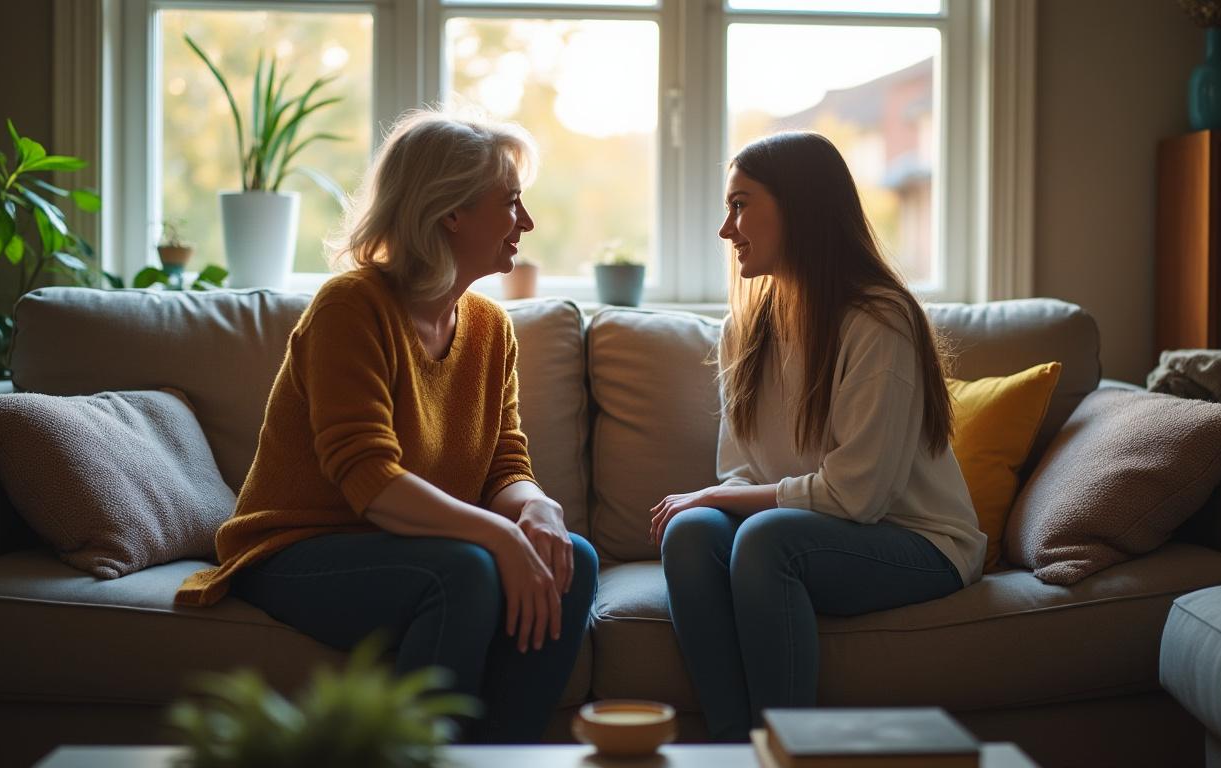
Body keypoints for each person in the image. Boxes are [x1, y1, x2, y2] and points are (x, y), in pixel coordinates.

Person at [175, 108, 598, 743]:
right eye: (510, 203)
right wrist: (500, 538)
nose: (526, 223)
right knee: (465, 571)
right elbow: (367, 477)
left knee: (575, 561)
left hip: (410, 544)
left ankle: (497, 757)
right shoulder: (351, 306)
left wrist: (536, 509)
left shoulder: (489, 327)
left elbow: (505, 466)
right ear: (451, 212)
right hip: (297, 547)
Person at [649, 131, 986, 742]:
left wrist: (721, 499)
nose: (728, 230)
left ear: (799, 206)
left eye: (741, 204)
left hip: (918, 541)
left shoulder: (879, 320)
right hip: (814, 530)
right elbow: (741, 472)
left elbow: (858, 497)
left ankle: (785, 749)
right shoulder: (746, 327)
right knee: (691, 533)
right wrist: (713, 503)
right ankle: (734, 748)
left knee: (768, 540)